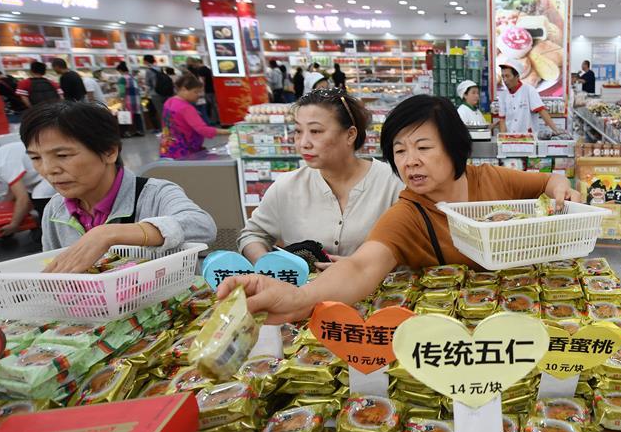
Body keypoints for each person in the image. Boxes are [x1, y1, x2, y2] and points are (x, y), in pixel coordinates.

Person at [217, 95, 580, 323]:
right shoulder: (407, 214)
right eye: (400, 150)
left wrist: (560, 186)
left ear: (454, 147)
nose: (410, 161)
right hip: (454, 332)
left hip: (528, 313)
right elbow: (361, 265)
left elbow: (546, 182)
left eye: (423, 147)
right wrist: (299, 298)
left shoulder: (491, 179)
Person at [20, 101, 216, 272]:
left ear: (109, 152)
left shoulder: (154, 194)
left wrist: (109, 234)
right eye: (36, 158)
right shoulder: (55, 209)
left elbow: (201, 225)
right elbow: (54, 271)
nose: (48, 169)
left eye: (63, 155)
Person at [238, 88, 403, 264]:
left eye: (316, 131)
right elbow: (253, 234)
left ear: (350, 135)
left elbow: (415, 247)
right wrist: (267, 264)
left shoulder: (393, 184)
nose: (303, 143)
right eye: (298, 131)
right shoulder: (287, 186)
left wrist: (360, 267)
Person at [160, 73, 230, 159]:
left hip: (168, 148)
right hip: (185, 151)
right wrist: (228, 131)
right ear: (183, 89)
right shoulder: (185, 108)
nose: (198, 95)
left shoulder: (169, 102)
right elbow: (202, 129)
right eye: (195, 92)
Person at [494, 59, 560, 135]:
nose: (505, 80)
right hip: (510, 136)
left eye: (508, 76)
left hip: (528, 137)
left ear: (517, 77)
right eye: (503, 76)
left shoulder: (529, 90)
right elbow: (502, 119)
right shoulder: (503, 95)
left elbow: (542, 111)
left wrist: (556, 130)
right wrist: (503, 138)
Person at [144, 54, 173, 130]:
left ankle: (167, 130)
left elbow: (147, 85)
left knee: (161, 112)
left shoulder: (148, 71)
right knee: (168, 111)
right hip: (166, 93)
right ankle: (172, 128)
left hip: (156, 94)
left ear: (145, 61)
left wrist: (145, 95)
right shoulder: (160, 68)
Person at [115, 62, 145, 137]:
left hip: (128, 100)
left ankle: (125, 132)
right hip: (136, 100)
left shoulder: (122, 79)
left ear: (120, 70)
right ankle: (140, 130)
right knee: (137, 115)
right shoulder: (133, 78)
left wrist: (122, 102)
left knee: (125, 115)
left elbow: (122, 92)